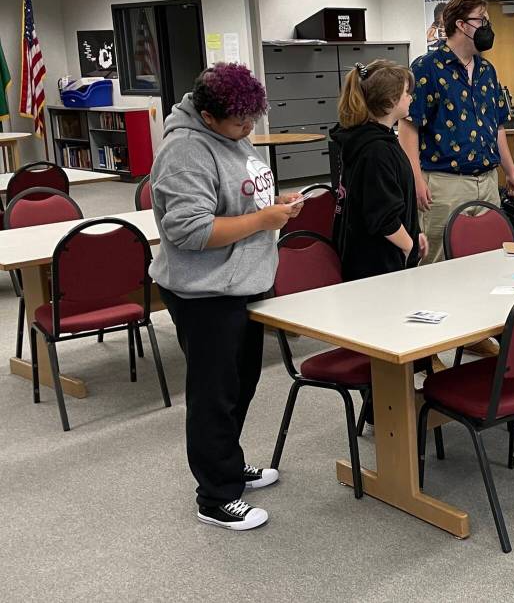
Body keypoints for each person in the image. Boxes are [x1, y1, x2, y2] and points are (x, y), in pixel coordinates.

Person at [150, 63, 304, 531]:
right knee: (213, 394)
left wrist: (274, 207)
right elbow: (190, 230)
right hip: (206, 292)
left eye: (252, 121)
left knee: (241, 384)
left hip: (245, 282)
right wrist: (262, 222)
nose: (248, 130)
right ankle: (215, 495)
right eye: (240, 123)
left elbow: (244, 197)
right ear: (208, 115)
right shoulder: (185, 151)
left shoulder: (234, 134)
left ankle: (228, 465)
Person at [399, 0, 514, 266]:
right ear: (460, 25)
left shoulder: (486, 70)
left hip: (488, 180)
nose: (486, 28)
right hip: (445, 182)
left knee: (489, 256)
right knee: (439, 258)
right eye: (481, 20)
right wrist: (416, 179)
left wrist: (510, 172)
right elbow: (408, 127)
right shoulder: (426, 68)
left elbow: (497, 126)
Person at [330, 60, 427, 279]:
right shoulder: (375, 150)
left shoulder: (374, 140)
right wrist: (407, 245)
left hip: (382, 255)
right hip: (377, 264)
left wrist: (413, 232)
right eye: (405, 93)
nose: (410, 97)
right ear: (390, 101)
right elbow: (383, 215)